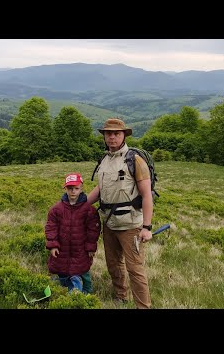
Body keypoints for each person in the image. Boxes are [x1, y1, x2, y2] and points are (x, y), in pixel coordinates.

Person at [87, 118, 153, 309]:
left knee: (135, 269)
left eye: (116, 133)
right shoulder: (105, 160)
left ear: (124, 135)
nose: (112, 137)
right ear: (104, 137)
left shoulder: (135, 160)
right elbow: (100, 188)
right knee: (113, 264)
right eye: (108, 133)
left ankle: (143, 306)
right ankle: (120, 296)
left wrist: (147, 227)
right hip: (109, 223)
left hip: (131, 225)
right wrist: (80, 204)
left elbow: (147, 195)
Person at [45, 172, 101, 294]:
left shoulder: (88, 210)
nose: (73, 191)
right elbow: (51, 226)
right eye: (70, 188)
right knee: (60, 267)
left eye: (76, 188)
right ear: (65, 189)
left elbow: (93, 229)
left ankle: (87, 290)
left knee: (83, 269)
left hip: (81, 247)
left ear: (81, 189)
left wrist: (91, 247)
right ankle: (64, 288)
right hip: (62, 247)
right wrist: (53, 244)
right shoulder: (56, 209)